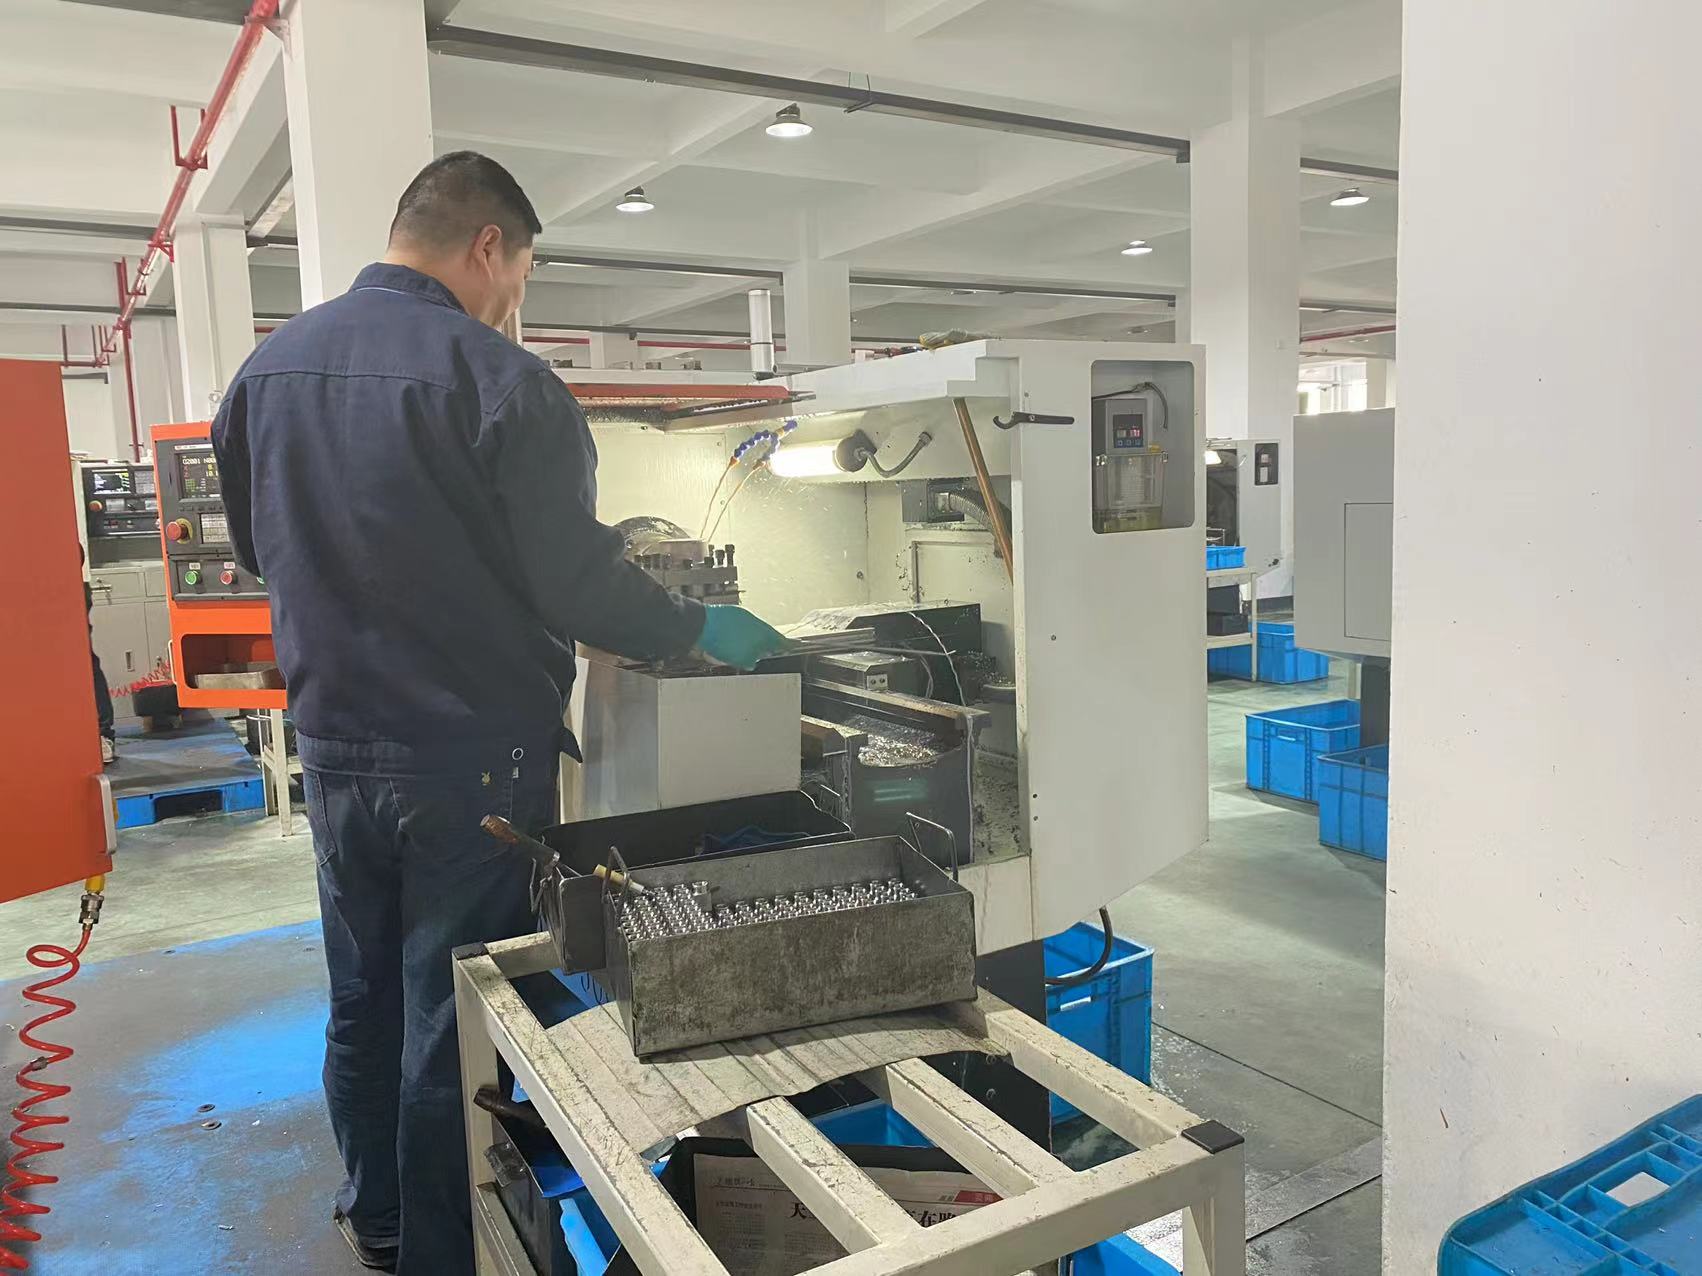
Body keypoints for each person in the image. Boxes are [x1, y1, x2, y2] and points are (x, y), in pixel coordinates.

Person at [211, 152, 787, 1275]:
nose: (513, 298)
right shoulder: (502, 383)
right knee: (456, 1013)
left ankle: (379, 1220)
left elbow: (258, 551)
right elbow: (578, 586)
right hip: (470, 759)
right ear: (489, 246)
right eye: (520, 273)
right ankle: (446, 1255)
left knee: (364, 995)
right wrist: (693, 629)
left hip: (334, 749)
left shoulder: (263, 374)